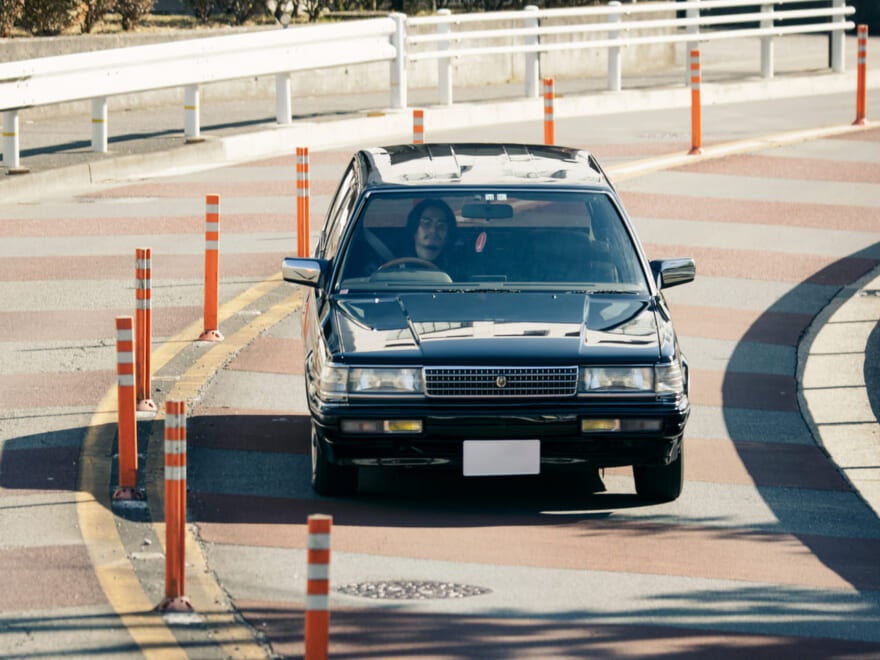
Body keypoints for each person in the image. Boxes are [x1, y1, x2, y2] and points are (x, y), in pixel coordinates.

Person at [406, 198, 457, 268]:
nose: (433, 230)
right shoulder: (396, 265)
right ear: (414, 228)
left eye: (441, 225)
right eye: (426, 223)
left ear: (448, 234)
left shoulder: (460, 268)